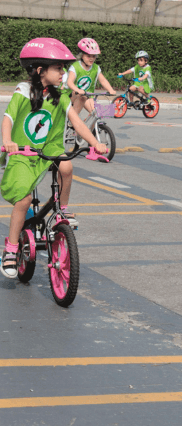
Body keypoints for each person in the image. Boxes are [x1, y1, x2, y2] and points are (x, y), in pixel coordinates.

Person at [1, 38, 108, 279]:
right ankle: (11, 247)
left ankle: (62, 210)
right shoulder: (24, 90)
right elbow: (8, 117)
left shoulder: (60, 96)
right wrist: (8, 140)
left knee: (67, 165)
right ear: (40, 71)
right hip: (22, 152)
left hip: (49, 147)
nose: (63, 72)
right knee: (24, 199)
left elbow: (77, 122)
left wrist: (95, 143)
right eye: (58, 68)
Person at [66, 38, 116, 115]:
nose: (92, 58)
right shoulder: (75, 67)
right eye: (88, 56)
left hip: (88, 95)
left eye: (94, 56)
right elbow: (69, 82)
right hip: (72, 95)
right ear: (81, 55)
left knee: (96, 114)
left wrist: (110, 89)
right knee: (82, 97)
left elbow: (103, 80)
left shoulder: (96, 68)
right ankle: (72, 121)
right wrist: (78, 90)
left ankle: (94, 127)